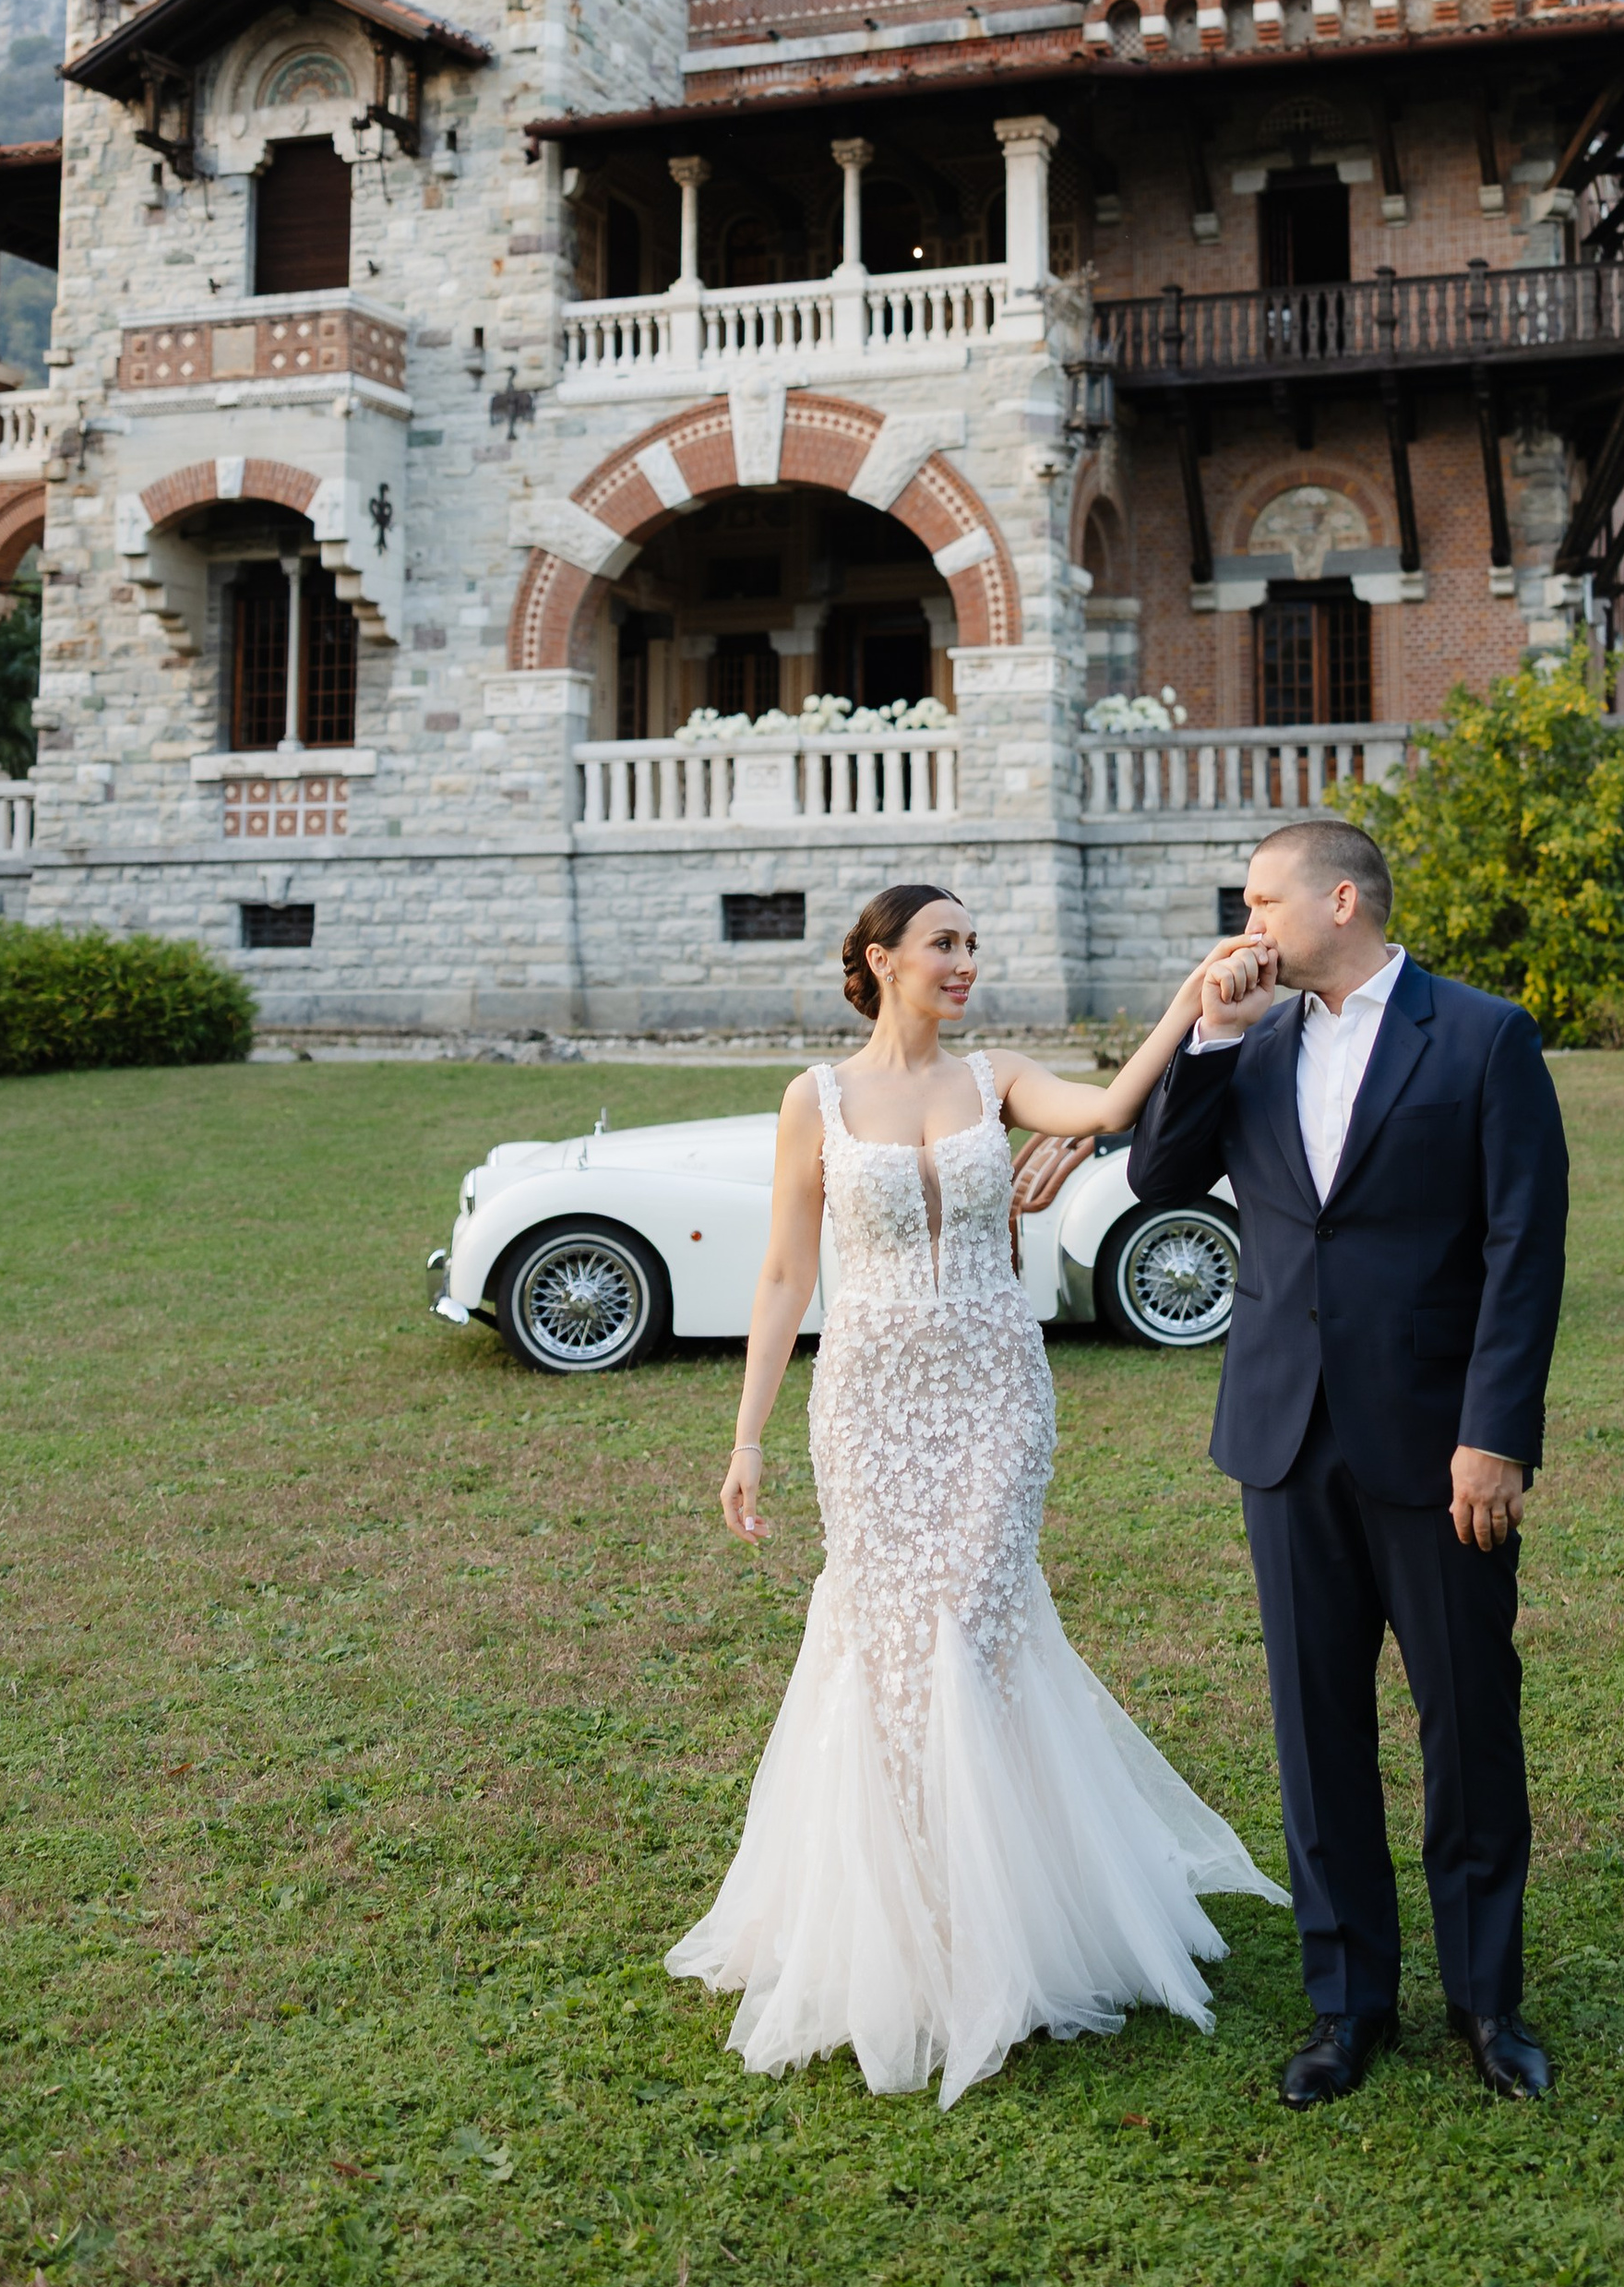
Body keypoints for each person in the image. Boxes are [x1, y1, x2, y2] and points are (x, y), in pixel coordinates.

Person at [667, 883, 1285, 2108]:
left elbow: (1110, 1109)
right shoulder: (818, 1100)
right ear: (881, 959)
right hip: (869, 1402)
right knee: (887, 1649)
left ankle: (1007, 1923)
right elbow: (788, 1267)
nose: (966, 963)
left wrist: (1188, 999)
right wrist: (746, 1439)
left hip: (996, 1388)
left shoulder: (993, 1075)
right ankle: (907, 1924)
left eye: (972, 946)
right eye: (944, 945)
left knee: (969, 1622)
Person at [1128, 817, 1569, 2108]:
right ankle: (1346, 2005)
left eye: (1263, 900)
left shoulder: (1482, 1036)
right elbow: (1158, 1173)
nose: (1246, 922)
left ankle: (1488, 2004)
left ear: (1340, 900)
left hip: (1437, 1448)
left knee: (1468, 1722)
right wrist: (1207, 1032)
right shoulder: (1251, 1040)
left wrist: (1494, 1436)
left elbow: (1520, 1248)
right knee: (1315, 1733)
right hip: (1282, 1433)